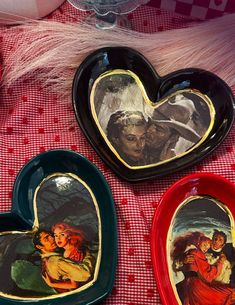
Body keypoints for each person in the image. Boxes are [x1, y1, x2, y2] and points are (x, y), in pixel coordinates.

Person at [171, 232, 235, 305]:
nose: (216, 241)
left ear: (223, 245)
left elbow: (221, 279)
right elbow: (177, 265)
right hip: (197, 285)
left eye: (220, 240)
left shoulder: (225, 261)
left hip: (210, 285)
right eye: (215, 238)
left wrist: (220, 262)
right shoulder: (199, 252)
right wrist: (182, 260)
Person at [146, 94, 202, 163]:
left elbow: (199, 140)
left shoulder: (174, 160)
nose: (149, 130)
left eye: (159, 129)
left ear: (173, 138)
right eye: (149, 123)